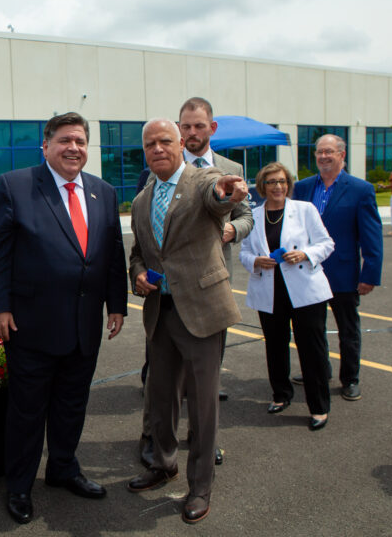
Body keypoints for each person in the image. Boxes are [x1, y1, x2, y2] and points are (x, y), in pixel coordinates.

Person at [0, 112, 127, 525]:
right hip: (31, 324)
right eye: (65, 140)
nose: (73, 148)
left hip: (85, 325)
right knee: (27, 412)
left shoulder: (103, 191)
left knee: (72, 405)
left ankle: (63, 468)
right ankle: (20, 485)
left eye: (80, 140)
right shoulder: (16, 185)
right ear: (45, 146)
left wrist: (116, 304)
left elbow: (112, 253)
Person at [126, 118, 247, 524]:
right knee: (159, 399)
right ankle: (163, 464)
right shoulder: (142, 200)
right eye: (149, 144)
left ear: (181, 144)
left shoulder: (201, 181)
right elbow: (139, 252)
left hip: (202, 311)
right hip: (161, 312)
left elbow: (218, 195)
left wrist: (225, 191)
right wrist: (138, 274)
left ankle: (200, 486)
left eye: (164, 141)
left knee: (202, 405)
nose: (157, 149)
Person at [240, 162, 335, 430]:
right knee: (275, 346)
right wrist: (256, 260)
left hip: (305, 291)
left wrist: (306, 254)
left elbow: (326, 243)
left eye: (282, 181)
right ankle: (281, 395)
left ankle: (319, 407)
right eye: (271, 182)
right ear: (262, 186)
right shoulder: (254, 215)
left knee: (311, 350)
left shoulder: (305, 210)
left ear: (288, 184)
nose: (278, 186)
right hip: (270, 291)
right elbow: (244, 252)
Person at [293, 134, 383, 402]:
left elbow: (371, 236)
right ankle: (320, 370)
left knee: (348, 330)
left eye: (329, 152)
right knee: (312, 329)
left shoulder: (360, 189)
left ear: (342, 155)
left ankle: (350, 378)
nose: (323, 157)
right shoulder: (303, 188)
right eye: (319, 152)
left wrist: (370, 274)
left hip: (344, 274)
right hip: (308, 272)